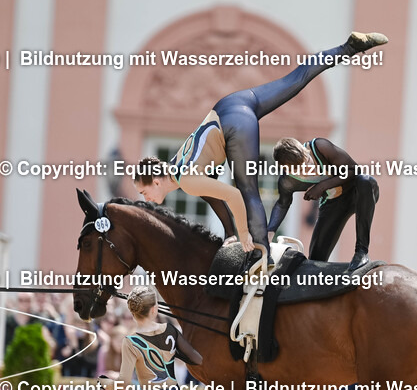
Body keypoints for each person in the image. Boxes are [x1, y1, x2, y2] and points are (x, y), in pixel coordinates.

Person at [132, 31, 389, 253]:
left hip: (232, 125)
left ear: (156, 181)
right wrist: (230, 233)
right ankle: (349, 48)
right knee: (294, 80)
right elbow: (213, 197)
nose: (147, 198)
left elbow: (232, 196)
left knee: (247, 190)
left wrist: (244, 235)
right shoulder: (178, 162)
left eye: (144, 192)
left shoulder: (185, 181)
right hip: (229, 104)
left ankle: (261, 254)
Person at [266, 136, 379, 270]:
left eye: (307, 162)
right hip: (334, 204)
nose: (308, 170)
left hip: (357, 194)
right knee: (314, 263)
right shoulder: (287, 182)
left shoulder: (320, 147)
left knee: (364, 180)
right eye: (300, 171)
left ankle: (361, 251)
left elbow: (354, 170)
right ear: (287, 170)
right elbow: (282, 204)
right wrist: (269, 233)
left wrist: (322, 186)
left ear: (305, 150)